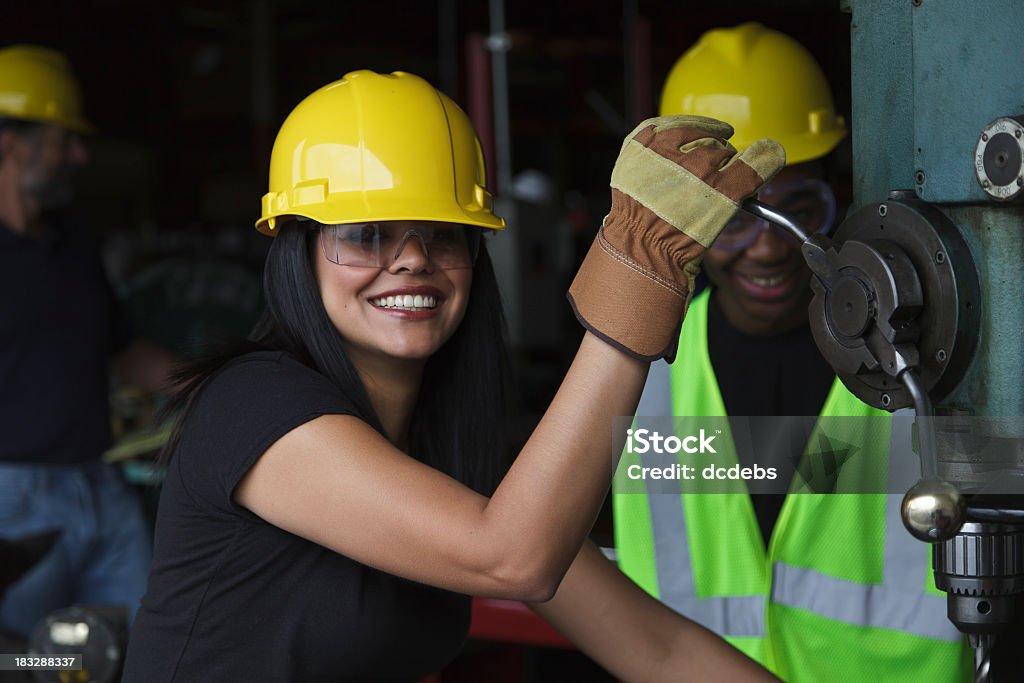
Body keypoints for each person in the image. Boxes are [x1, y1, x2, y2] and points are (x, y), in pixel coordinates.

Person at [121, 68, 787, 682]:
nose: (414, 259)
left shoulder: (453, 459)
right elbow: (512, 558)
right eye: (368, 233)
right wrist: (637, 279)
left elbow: (658, 650)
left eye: (443, 233)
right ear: (300, 251)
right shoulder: (254, 405)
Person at [612, 23, 973, 682]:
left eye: (797, 209)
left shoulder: (928, 359)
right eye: (731, 218)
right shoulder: (635, 372)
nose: (769, 246)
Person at [0, 45, 177, 639]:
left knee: (140, 651)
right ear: (9, 142)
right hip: (12, 503)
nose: (78, 155)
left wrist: (219, 385)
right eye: (62, 139)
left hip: (101, 488)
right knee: (28, 664)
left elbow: (120, 349)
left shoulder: (73, 241)